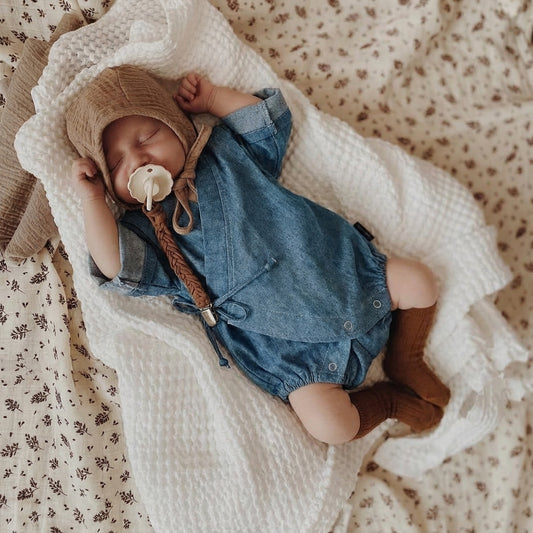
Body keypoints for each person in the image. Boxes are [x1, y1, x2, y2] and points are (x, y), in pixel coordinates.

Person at [66, 65, 450, 445]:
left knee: (419, 282)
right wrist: (93, 200)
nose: (137, 160)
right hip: (293, 354)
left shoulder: (224, 155)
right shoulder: (151, 232)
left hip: (348, 279)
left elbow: (264, 123)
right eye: (116, 164)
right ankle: (389, 402)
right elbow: (115, 265)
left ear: (177, 126)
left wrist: (212, 98)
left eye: (147, 136)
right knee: (331, 426)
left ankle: (406, 358)